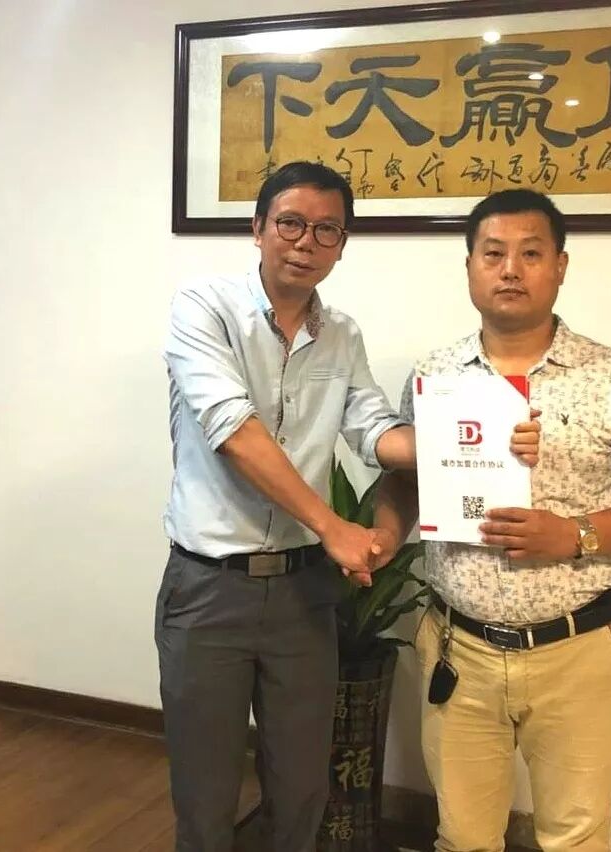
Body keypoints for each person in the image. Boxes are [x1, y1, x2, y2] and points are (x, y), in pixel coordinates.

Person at [373, 188, 611, 852]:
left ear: (560, 266)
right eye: (493, 254)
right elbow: (408, 478)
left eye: (530, 253)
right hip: (458, 648)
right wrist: (380, 536)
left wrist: (574, 535)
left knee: (574, 839)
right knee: (462, 839)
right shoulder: (436, 375)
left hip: (577, 648)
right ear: (469, 267)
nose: (510, 269)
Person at [155, 161, 415, 852]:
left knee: (302, 787)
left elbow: (372, 430)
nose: (306, 242)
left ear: (341, 244)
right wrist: (332, 525)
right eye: (291, 223)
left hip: (303, 593)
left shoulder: (342, 334)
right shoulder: (204, 307)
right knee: (206, 793)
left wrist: (466, 441)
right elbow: (235, 432)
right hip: (210, 589)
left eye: (326, 230)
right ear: (258, 228)